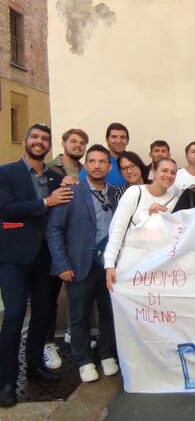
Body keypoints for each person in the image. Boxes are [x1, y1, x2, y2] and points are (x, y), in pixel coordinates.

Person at [0, 124, 73, 407]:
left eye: (45, 139)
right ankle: (6, 380)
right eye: (35, 138)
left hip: (47, 258)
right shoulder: (7, 172)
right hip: (14, 257)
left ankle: (34, 366)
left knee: (43, 314)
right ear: (26, 142)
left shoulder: (57, 177)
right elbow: (5, 208)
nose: (40, 142)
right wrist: (45, 202)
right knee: (15, 316)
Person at [47, 144, 119, 383]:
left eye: (102, 162)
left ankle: (107, 354)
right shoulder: (71, 190)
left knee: (109, 313)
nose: (97, 166)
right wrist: (61, 264)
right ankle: (84, 360)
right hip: (78, 264)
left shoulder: (115, 194)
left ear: (109, 166)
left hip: (108, 266)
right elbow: (55, 228)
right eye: (93, 161)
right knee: (80, 316)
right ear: (86, 165)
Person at [44, 127, 90, 369]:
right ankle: (48, 342)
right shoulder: (50, 169)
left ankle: (75, 333)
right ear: (63, 143)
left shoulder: (85, 172)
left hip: (78, 243)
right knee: (49, 297)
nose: (78, 146)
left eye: (82, 143)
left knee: (79, 295)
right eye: (74, 141)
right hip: (53, 239)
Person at [105, 158, 180, 291]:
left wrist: (165, 213)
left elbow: (175, 234)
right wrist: (110, 264)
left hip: (156, 270)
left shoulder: (175, 201)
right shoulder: (134, 192)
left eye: (173, 173)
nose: (169, 175)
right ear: (153, 171)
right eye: (164, 170)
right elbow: (117, 230)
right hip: (127, 264)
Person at [79, 122, 129, 187]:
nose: (118, 141)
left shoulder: (133, 161)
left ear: (127, 141)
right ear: (107, 140)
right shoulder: (96, 161)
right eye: (114, 137)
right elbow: (80, 185)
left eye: (122, 137)